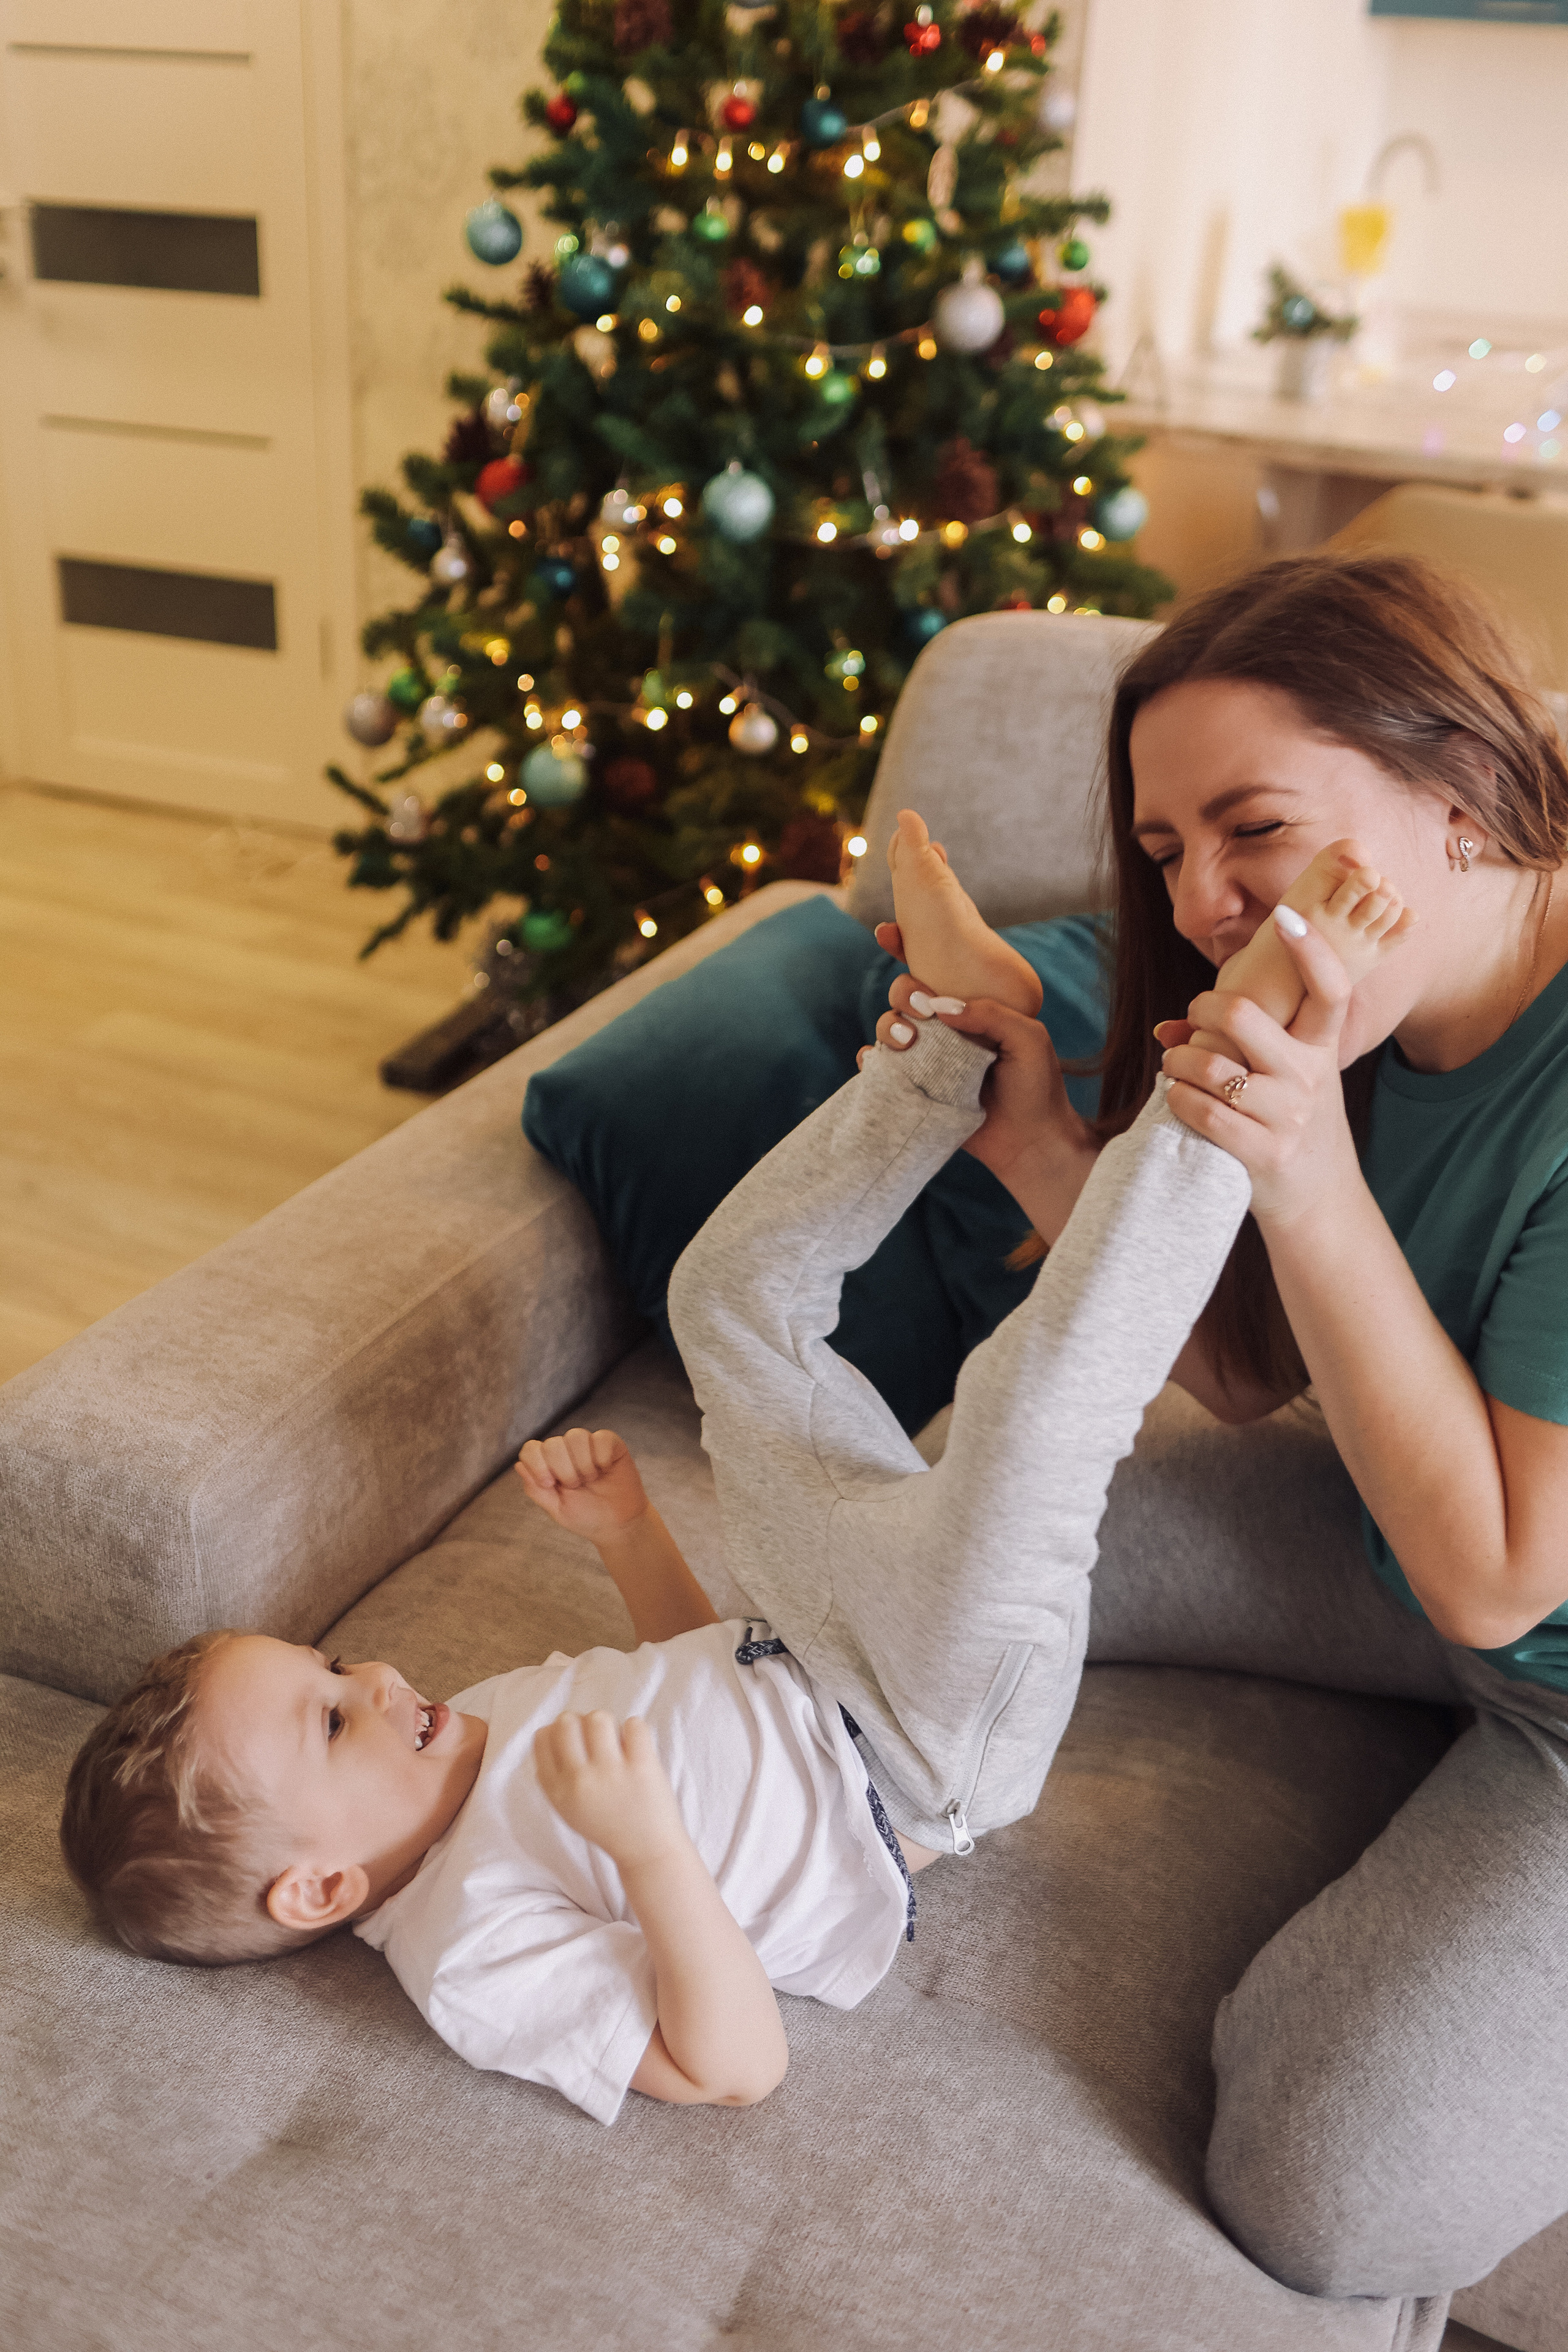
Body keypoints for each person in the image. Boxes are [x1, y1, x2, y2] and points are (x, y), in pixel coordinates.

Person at [56, 813, 1406, 2128]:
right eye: (332, 1719)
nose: (376, 1679)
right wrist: (648, 1849)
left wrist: (629, 1536)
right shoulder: (466, 1948)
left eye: (331, 1667)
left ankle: (949, 1045)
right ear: (317, 1888)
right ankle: (1246, 1054)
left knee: (726, 1302)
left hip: (812, 1631)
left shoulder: (455, 1739)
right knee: (1028, 1405)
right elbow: (733, 2066)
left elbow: (694, 1682)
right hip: (923, 1743)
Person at [872, 551, 1568, 2302]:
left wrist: (1304, 1158)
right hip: (1417, 1552)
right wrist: (1037, 1138)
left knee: (1327, 2189)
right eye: (1167, 848)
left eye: (1250, 828)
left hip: (1514, 1609)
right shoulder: (1367, 993)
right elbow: (1252, 1374)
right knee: (955, 1511)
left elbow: (1497, 1577)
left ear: (1463, 794)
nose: (1199, 901)